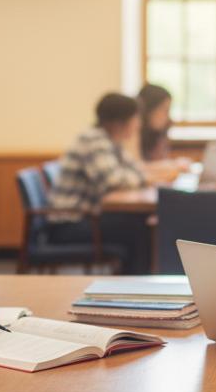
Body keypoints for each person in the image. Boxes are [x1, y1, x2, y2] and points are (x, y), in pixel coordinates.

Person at [48, 92, 152, 273]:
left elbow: (135, 171)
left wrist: (141, 177)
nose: (138, 124)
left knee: (140, 223)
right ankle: (134, 281)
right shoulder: (94, 140)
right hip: (69, 224)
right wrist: (144, 179)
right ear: (119, 122)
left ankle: (132, 280)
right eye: (135, 118)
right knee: (139, 228)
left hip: (84, 217)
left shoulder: (111, 141)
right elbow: (113, 180)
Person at [137, 83, 173, 162]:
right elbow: (136, 166)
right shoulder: (133, 132)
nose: (168, 117)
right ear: (149, 110)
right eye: (165, 110)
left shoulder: (159, 133)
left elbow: (161, 160)